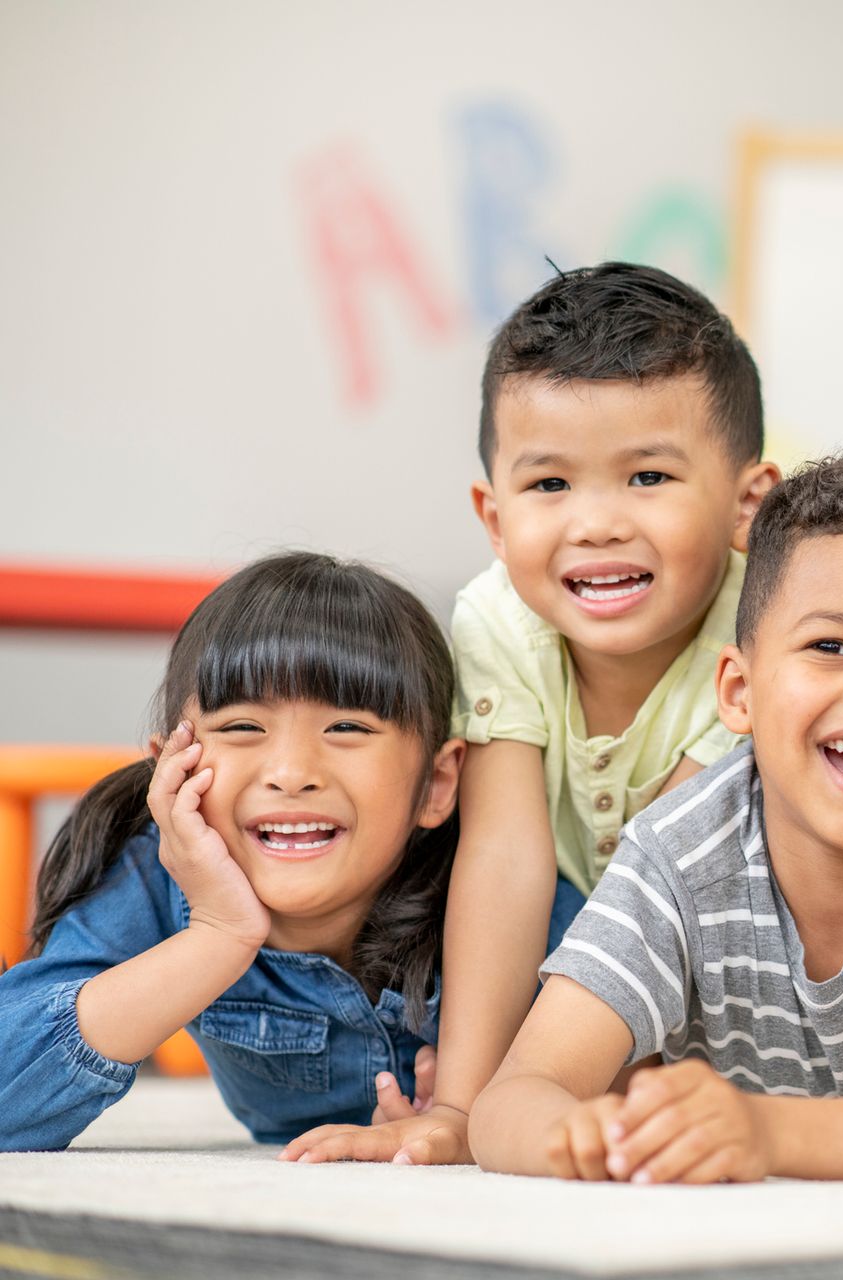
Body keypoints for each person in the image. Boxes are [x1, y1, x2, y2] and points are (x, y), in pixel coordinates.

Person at [468, 448, 843, 1183]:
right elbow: (511, 1101)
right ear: (739, 692)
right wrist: (593, 1135)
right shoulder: (678, 850)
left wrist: (760, 1130)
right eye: (830, 646)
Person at [286, 263, 780, 1165]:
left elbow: (667, 872)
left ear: (748, 503)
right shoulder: (498, 618)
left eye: (648, 477)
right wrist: (468, 1107)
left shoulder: (763, 625)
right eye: (550, 486)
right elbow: (506, 856)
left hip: (719, 928)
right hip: (561, 927)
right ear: (495, 515)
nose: (595, 524)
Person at [0, 553, 577, 1150]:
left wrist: (489, 1098)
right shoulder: (153, 874)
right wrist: (219, 933)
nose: (292, 772)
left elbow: (635, 1061)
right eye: (242, 727)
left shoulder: (504, 894)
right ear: (167, 769)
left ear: (436, 784)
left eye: (348, 728)